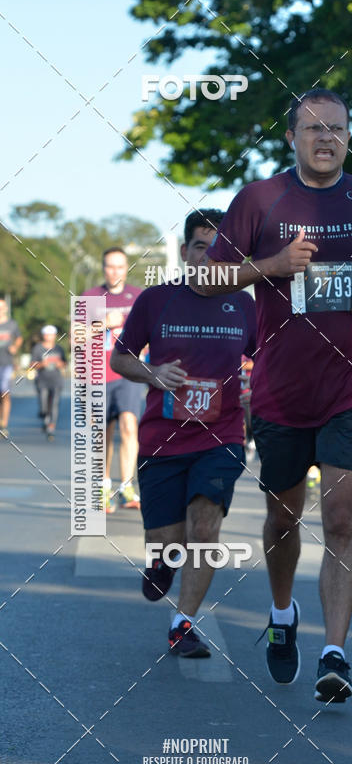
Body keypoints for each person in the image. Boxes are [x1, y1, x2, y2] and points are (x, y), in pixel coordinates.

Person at [197, 88, 352, 703]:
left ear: (348, 136)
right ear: (291, 137)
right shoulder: (260, 199)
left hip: (349, 387)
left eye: (336, 128)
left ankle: (334, 653)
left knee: (340, 518)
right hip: (281, 391)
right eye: (313, 128)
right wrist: (273, 264)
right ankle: (283, 613)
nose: (325, 138)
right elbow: (205, 278)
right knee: (283, 517)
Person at [110, 210, 256, 658]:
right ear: (184, 251)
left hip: (222, 436)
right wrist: (153, 373)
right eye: (200, 247)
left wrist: (257, 388)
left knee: (205, 527)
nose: (210, 257)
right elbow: (120, 358)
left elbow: (269, 359)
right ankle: (161, 559)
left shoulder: (245, 306)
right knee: (169, 542)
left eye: (220, 251)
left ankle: (183, 624)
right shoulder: (156, 300)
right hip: (162, 439)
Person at [83, 248, 143, 512]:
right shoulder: (90, 297)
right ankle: (103, 485)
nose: (115, 271)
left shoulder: (138, 296)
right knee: (102, 431)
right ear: (103, 268)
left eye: (120, 266)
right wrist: (103, 323)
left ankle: (127, 486)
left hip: (129, 373)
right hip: (98, 373)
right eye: (110, 266)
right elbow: (76, 336)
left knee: (129, 426)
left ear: (127, 268)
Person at [31, 325, 67, 440]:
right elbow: (32, 364)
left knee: (55, 404)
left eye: (51, 334)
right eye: (47, 334)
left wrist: (61, 364)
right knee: (44, 406)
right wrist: (42, 364)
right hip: (42, 380)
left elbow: (65, 362)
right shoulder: (38, 348)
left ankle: (51, 427)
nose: (49, 337)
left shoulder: (59, 349)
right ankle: (45, 418)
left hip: (56, 380)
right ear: (43, 335)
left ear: (55, 336)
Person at [0, 298, 22, 440]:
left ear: (6, 309)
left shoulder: (12, 324)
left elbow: (19, 338)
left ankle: (4, 424)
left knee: (5, 392)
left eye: (2, 307)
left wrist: (15, 347)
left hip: (6, 363)